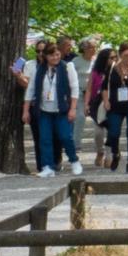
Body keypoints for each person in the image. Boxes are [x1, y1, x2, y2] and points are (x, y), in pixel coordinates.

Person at [23, 37, 83, 177]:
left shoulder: (67, 67)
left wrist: (73, 108)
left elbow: (74, 88)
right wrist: (26, 110)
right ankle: (47, 167)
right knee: (45, 139)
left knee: (65, 137)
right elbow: (31, 89)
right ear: (46, 56)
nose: (55, 57)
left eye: (57, 54)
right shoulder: (40, 69)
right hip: (44, 110)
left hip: (62, 109)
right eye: (52, 55)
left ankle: (74, 160)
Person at [98, 43, 128, 171]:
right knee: (113, 133)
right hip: (115, 106)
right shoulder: (112, 69)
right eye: (126, 55)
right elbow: (104, 87)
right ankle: (116, 153)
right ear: (120, 55)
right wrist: (106, 101)